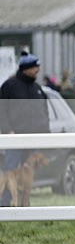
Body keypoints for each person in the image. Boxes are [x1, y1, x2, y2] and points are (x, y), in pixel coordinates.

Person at [0, 54, 50, 206]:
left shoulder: (37, 89)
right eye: (35, 67)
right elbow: (1, 110)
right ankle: (5, 202)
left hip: (34, 139)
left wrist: (45, 132)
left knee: (28, 173)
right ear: (26, 69)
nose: (38, 70)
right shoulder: (9, 86)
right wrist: (7, 130)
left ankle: (25, 204)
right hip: (14, 138)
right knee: (11, 170)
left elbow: (44, 111)